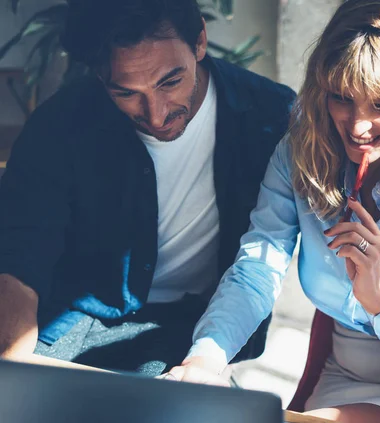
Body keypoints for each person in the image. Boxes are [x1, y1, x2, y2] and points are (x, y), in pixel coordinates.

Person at [165, 1, 380, 422]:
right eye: (342, 98)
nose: (357, 127)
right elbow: (257, 269)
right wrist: (205, 359)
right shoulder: (300, 154)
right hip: (340, 376)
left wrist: (378, 300)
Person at [0, 0, 295, 376]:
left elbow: (265, 257)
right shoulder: (59, 124)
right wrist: (13, 375)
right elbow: (19, 257)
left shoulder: (270, 115)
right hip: (75, 317)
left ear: (200, 41)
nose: (155, 114)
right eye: (126, 93)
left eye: (170, 81)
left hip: (192, 324)